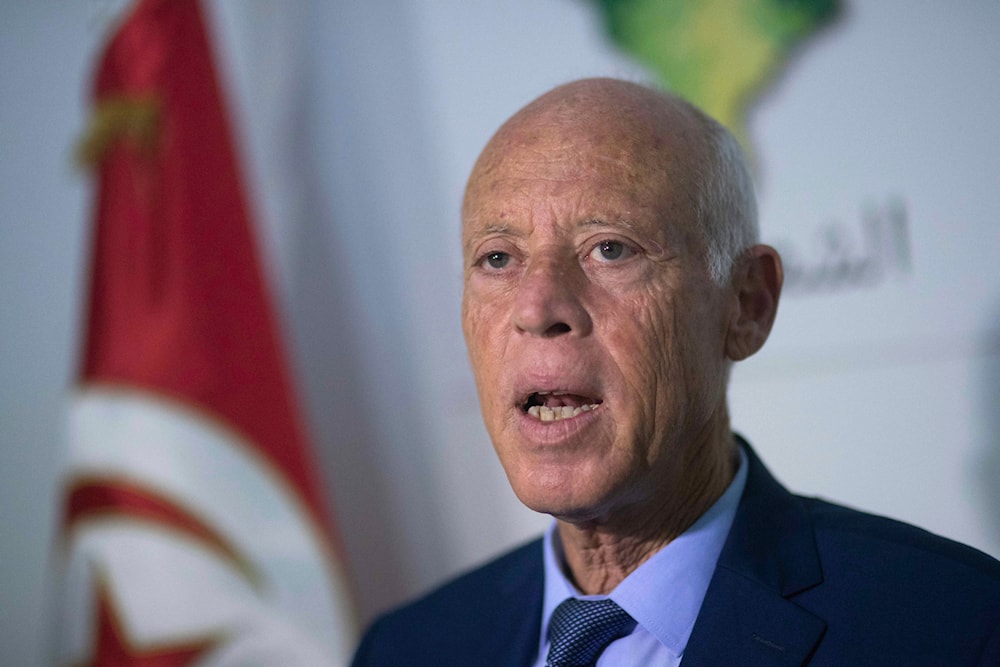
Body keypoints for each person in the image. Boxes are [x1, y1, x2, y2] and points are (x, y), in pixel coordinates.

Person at [351, 78, 1000, 666]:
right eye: (497, 258)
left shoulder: (955, 628)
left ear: (747, 303)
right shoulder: (406, 648)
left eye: (610, 248)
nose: (537, 306)